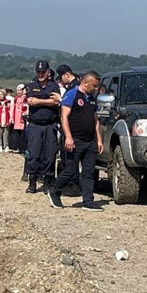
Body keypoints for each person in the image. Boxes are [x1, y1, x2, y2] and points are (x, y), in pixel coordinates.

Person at [48, 72, 104, 210]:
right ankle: (55, 191)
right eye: (94, 85)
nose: (96, 88)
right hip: (75, 140)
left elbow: (95, 120)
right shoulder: (72, 94)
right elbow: (64, 117)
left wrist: (99, 140)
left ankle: (88, 201)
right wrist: (68, 137)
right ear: (85, 83)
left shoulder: (91, 98)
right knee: (70, 171)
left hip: (90, 140)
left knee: (88, 172)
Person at [25, 60, 61, 194]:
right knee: (34, 154)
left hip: (50, 125)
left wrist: (39, 101)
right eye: (38, 72)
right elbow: (30, 101)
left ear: (48, 72)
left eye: (42, 72)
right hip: (35, 125)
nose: (40, 74)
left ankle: (48, 182)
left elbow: (56, 102)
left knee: (50, 154)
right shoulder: (32, 85)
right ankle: (32, 182)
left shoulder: (54, 86)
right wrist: (48, 101)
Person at [9, 84, 28, 156]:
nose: (18, 92)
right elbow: (12, 109)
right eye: (17, 90)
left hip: (22, 119)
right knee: (17, 134)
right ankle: (19, 148)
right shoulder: (15, 99)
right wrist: (12, 118)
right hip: (16, 118)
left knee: (23, 135)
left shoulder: (25, 98)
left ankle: (23, 149)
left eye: (20, 90)